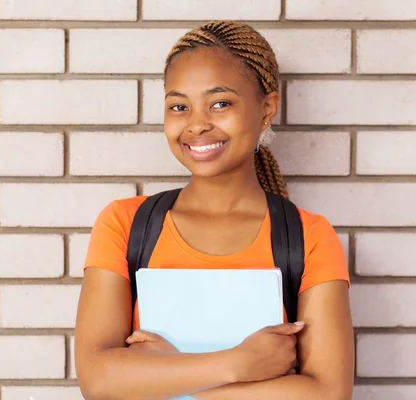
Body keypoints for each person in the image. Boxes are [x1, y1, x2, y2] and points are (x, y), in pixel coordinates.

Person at [74, 21, 354, 400]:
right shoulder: (125, 224)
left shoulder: (306, 236)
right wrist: (237, 363)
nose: (197, 124)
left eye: (220, 103)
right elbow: (98, 380)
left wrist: (172, 375)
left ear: (267, 109)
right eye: (179, 106)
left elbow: (327, 394)